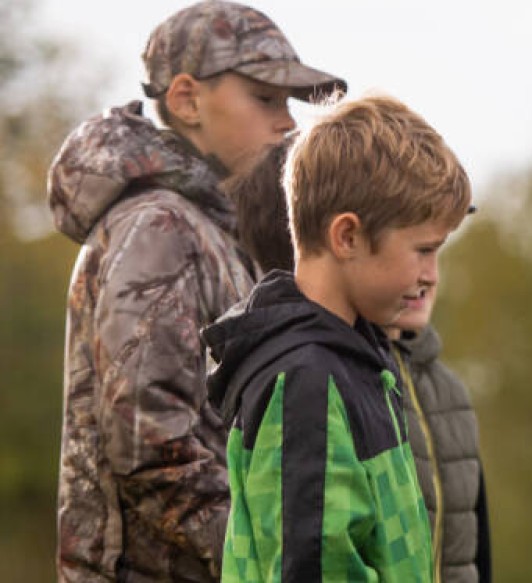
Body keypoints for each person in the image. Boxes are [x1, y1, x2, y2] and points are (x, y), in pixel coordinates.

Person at [46, 1, 343, 579]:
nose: (287, 122)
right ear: (186, 100)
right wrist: (271, 558)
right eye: (265, 98)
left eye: (288, 103)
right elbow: (149, 446)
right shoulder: (160, 228)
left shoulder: (216, 229)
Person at [202, 93, 471, 581]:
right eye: (423, 250)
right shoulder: (305, 382)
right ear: (346, 236)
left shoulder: (359, 359)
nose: (430, 274)